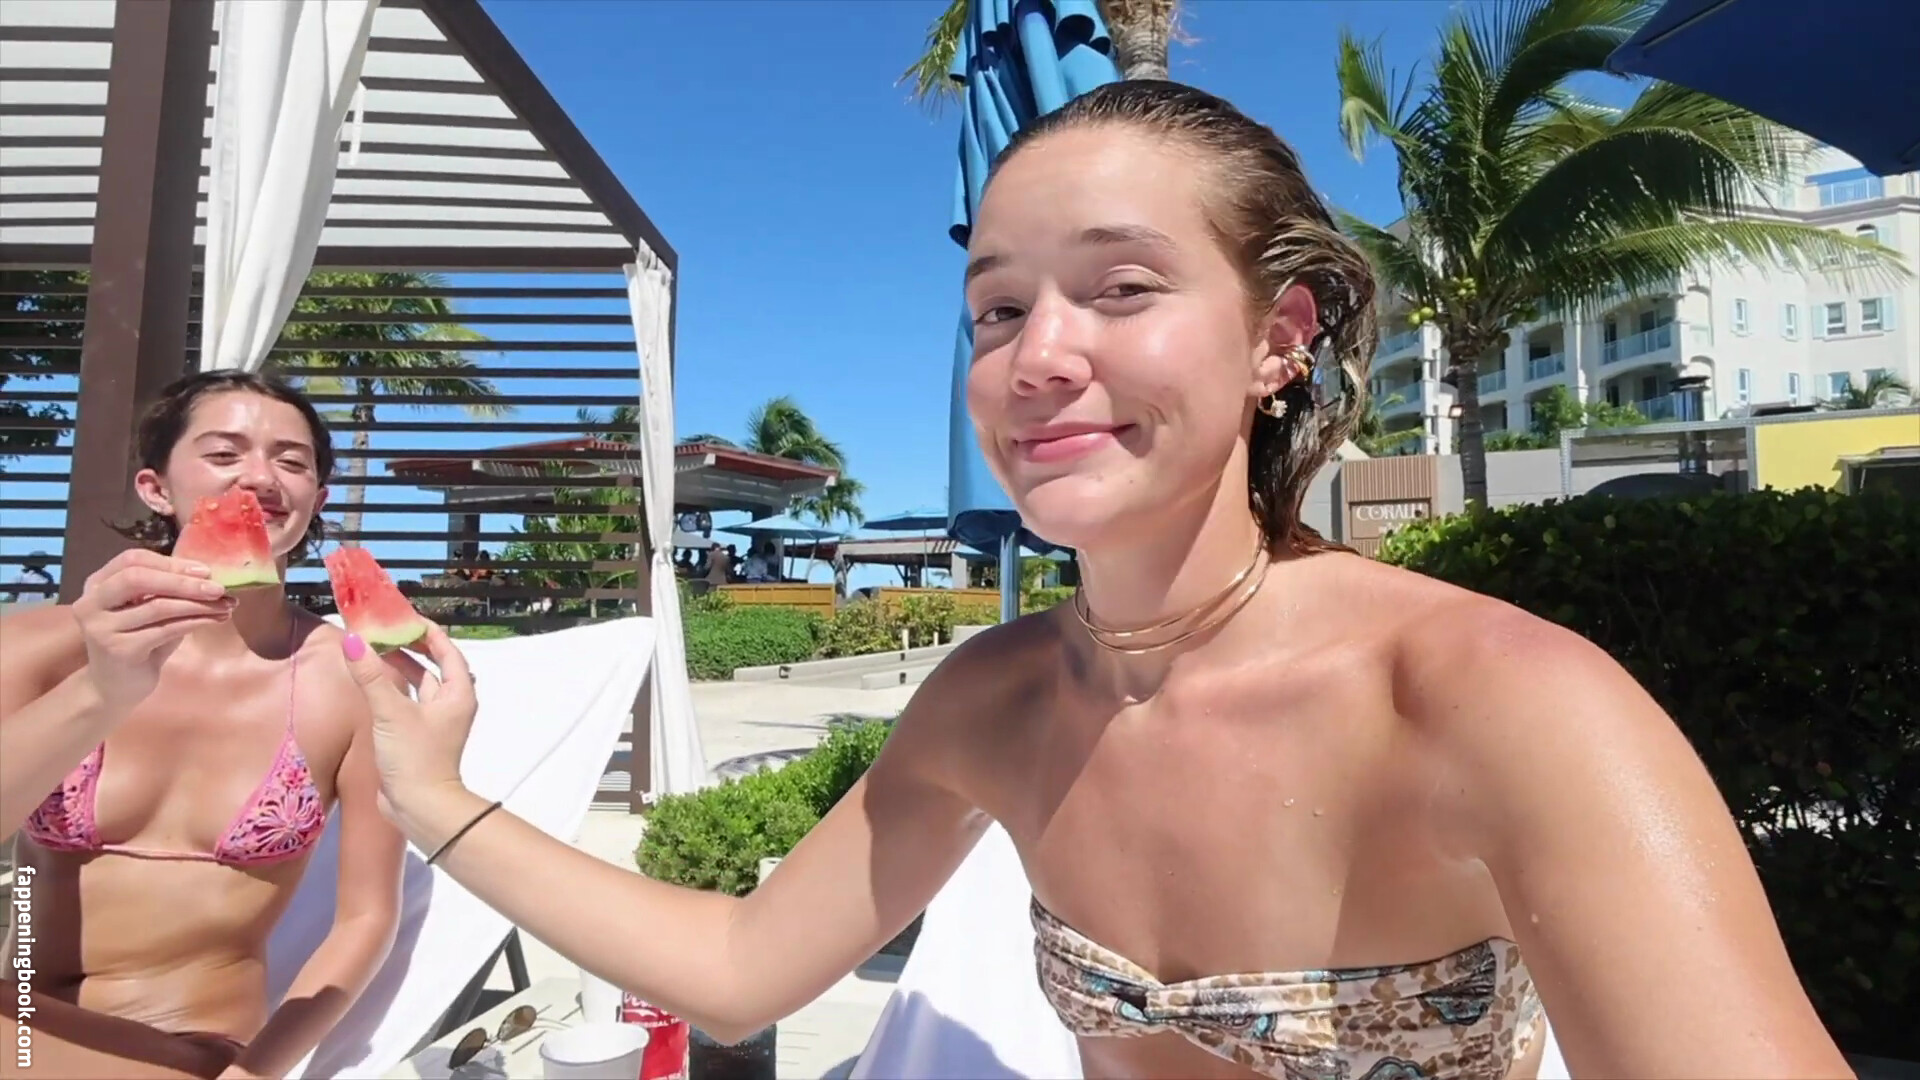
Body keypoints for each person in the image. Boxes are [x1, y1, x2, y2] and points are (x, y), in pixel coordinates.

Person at [344, 82, 1852, 1079]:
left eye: (1122, 287)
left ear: (1279, 339)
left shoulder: (1499, 704)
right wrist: (434, 797)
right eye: (999, 308)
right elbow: (741, 968)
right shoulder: (993, 701)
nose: (1037, 357)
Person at [1, 370, 410, 1080]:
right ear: (156, 488)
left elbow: (366, 918)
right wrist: (101, 692)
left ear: (317, 500)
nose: (260, 478)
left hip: (196, 1049)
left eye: (291, 461)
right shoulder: (37, 649)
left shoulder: (351, 681)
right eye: (224, 454)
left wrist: (257, 1073)